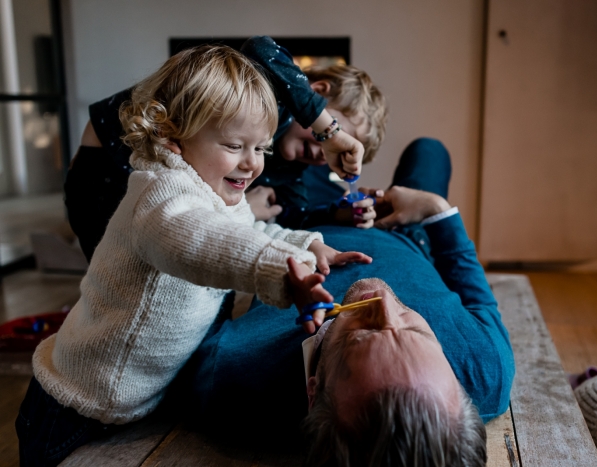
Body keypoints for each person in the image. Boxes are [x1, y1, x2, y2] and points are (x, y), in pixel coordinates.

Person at [16, 45, 371, 467]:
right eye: (234, 145)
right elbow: (203, 243)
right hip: (74, 405)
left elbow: (248, 229)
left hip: (134, 399)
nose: (252, 164)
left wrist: (305, 245)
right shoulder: (159, 195)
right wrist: (282, 270)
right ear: (173, 135)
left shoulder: (219, 191)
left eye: (261, 148)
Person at [187, 149, 515, 466]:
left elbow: (205, 285)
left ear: (314, 391)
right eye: (417, 330)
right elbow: (475, 294)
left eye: (361, 335)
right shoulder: (488, 373)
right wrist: (436, 210)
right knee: (429, 150)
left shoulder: (230, 379)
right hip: (407, 231)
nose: (383, 299)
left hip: (303, 218)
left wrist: (241, 219)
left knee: (297, 151)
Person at [66, 35, 388, 263]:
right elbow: (260, 47)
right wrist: (329, 131)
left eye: (260, 148)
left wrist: (337, 213)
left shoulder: (290, 172)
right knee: (112, 263)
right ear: (316, 94)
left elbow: (292, 214)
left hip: (163, 176)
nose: (324, 154)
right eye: (341, 133)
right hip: (108, 155)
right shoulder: (269, 95)